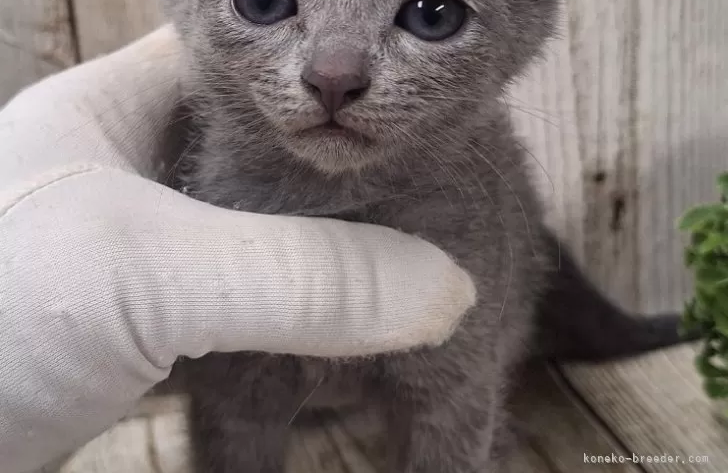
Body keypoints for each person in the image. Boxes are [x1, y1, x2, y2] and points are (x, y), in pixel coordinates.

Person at [0, 26, 475, 473]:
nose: (334, 73)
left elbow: (454, 407)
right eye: (264, 0)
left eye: (432, 16)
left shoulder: (469, 203)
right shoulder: (202, 170)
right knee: (237, 404)